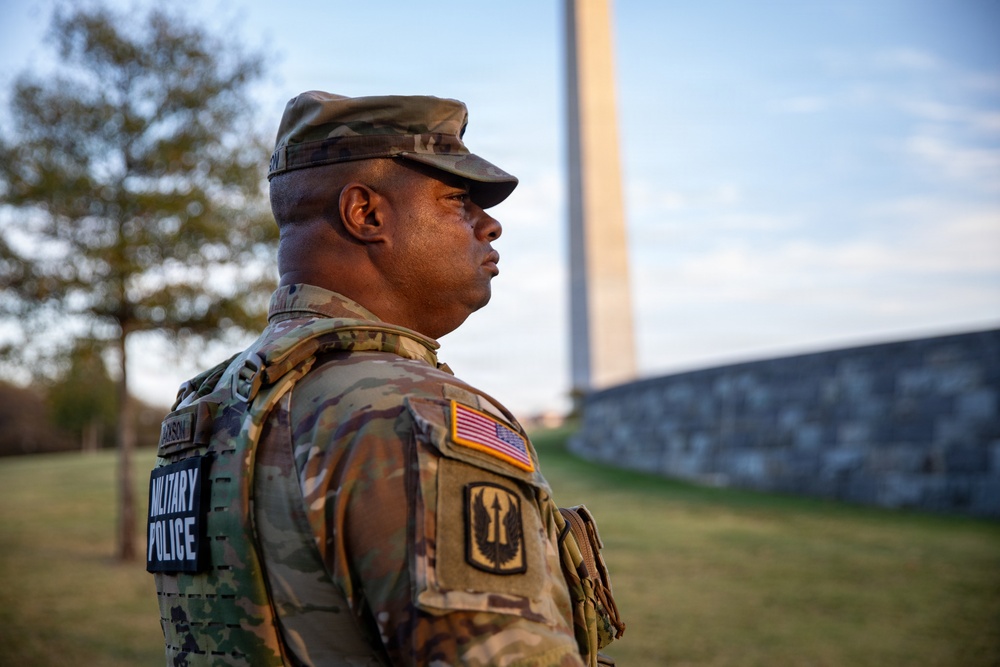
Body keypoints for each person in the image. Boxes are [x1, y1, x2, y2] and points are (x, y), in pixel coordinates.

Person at [148, 91, 622, 667]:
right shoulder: (411, 412)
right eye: (457, 200)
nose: (490, 225)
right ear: (366, 214)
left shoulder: (211, 407)